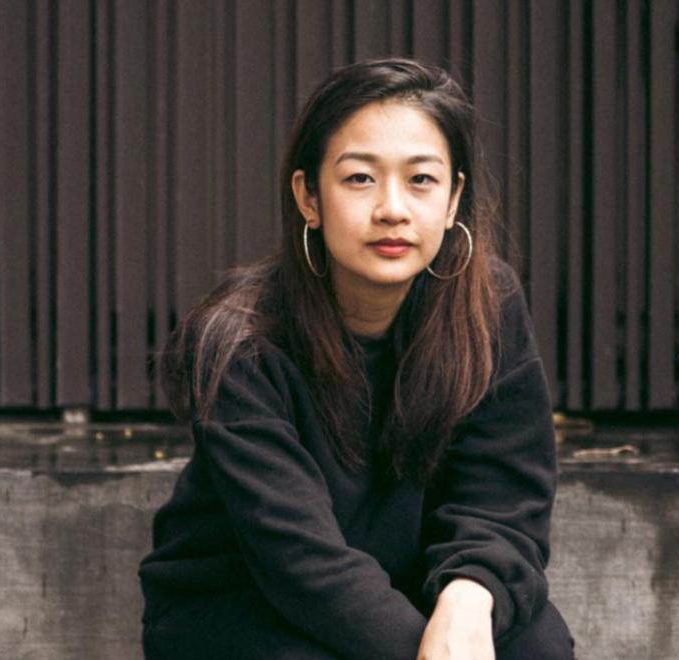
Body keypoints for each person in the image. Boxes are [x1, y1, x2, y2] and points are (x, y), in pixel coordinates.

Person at [139, 58, 574, 659]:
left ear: (453, 202)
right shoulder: (237, 340)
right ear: (309, 197)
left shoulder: (486, 305)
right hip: (244, 602)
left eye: (421, 180)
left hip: (413, 584)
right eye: (360, 179)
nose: (392, 208)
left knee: (536, 644)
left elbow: (503, 494)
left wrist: (469, 596)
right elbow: (295, 557)